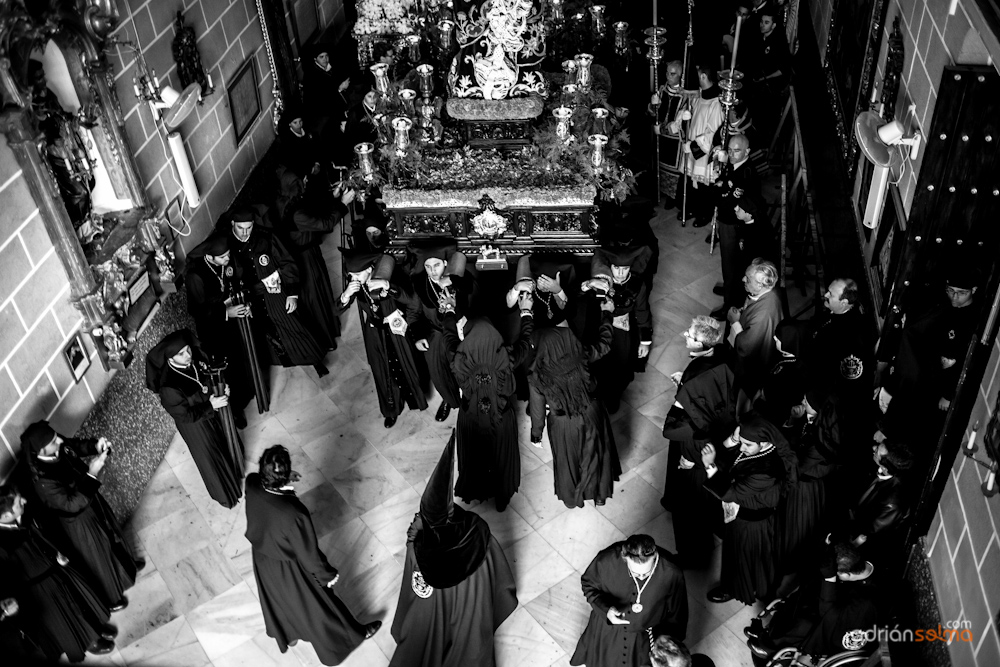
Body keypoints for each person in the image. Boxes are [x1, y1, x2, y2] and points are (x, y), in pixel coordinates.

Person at [390, 433, 518, 666]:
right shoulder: (477, 532)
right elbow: (491, 561)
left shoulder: (421, 552)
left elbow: (416, 586)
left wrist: (413, 536)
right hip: (468, 613)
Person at [245, 445, 380, 665]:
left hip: (263, 559)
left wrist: (281, 479)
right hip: (290, 568)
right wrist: (326, 576)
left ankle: (288, 634)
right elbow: (308, 555)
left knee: (280, 602)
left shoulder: (251, 482)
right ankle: (348, 639)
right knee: (321, 608)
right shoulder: (294, 513)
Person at [21, 421, 141, 611]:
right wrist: (92, 473)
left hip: (90, 501)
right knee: (99, 557)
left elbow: (73, 446)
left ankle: (126, 568)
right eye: (53, 441)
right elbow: (70, 504)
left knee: (112, 535)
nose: (59, 440)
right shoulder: (42, 481)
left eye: (56, 436)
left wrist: (95, 445)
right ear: (41, 451)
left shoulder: (57, 447)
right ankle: (111, 598)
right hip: (79, 521)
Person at [442, 291, 535, 512]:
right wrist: (526, 311)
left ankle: (477, 489)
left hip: (470, 419)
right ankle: (502, 497)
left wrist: (449, 309)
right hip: (501, 420)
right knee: (501, 458)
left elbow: (448, 336)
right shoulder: (507, 357)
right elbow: (527, 338)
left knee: (475, 458)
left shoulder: (458, 358)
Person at [0, 487, 116, 662]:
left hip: (56, 567)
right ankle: (87, 641)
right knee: (66, 615)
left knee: (78, 599)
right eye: (18, 502)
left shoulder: (22, 515)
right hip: (39, 586)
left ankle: (94, 627)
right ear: (6, 516)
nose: (23, 501)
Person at [529, 299, 621, 508]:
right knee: (596, 454)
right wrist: (607, 313)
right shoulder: (580, 352)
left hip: (563, 424)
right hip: (592, 412)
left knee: (568, 461)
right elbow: (605, 344)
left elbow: (537, 408)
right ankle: (598, 492)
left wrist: (536, 433)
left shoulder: (536, 374)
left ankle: (572, 498)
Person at [877, 266, 980, 448]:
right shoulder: (942, 306)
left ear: (974, 290)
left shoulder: (973, 320)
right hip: (921, 373)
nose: (954, 297)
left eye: (961, 293)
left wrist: (948, 394)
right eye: (951, 291)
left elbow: (966, 362)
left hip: (939, 385)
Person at [146, 329, 244, 508]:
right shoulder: (168, 387)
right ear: (170, 358)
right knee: (211, 458)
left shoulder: (195, 360)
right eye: (181, 354)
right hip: (196, 427)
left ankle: (235, 472)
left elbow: (206, 381)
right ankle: (225, 495)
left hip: (212, 412)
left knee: (225, 442)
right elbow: (184, 415)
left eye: (188, 349)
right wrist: (211, 406)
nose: (188, 355)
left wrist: (221, 390)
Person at [227, 206, 330, 377]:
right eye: (240, 228)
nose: (245, 233)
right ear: (232, 224)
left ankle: (314, 359)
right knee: (268, 333)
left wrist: (292, 294)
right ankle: (286, 359)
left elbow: (288, 263)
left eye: (249, 227)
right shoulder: (227, 244)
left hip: (275, 293)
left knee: (295, 326)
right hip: (252, 298)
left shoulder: (267, 237)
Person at [703, 414, 794, 605]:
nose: (742, 448)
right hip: (747, 515)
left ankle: (736, 589)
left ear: (765, 443)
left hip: (751, 523)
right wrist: (735, 439)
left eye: (747, 445)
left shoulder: (767, 471)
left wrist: (709, 466)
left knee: (741, 558)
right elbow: (734, 457)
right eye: (741, 442)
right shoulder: (757, 449)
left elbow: (729, 493)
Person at [662, 363, 741, 567]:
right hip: (717, 469)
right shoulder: (728, 408)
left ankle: (690, 557)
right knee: (710, 507)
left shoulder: (692, 425)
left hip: (695, 473)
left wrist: (679, 402)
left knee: (688, 515)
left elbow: (669, 430)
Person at [746, 542, 878, 663]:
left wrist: (830, 579)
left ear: (847, 575)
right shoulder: (863, 562)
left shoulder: (865, 604)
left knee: (805, 622)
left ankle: (771, 646)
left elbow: (829, 615)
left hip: (842, 625)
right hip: (841, 601)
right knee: (806, 590)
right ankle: (769, 632)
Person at [339, 250, 427, 428]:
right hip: (375, 332)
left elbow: (412, 301)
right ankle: (391, 410)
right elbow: (336, 310)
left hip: (397, 331)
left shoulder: (389, 276)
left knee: (406, 364)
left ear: (370, 269)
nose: (354, 279)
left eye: (358, 274)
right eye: (351, 275)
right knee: (381, 371)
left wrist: (389, 287)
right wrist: (345, 295)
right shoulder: (356, 285)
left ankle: (415, 400)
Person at [571, 534, 688, 667]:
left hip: (646, 634)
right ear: (624, 558)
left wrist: (669, 646)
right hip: (608, 629)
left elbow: (678, 613)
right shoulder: (606, 560)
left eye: (646, 574)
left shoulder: (671, 571)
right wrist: (606, 610)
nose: (641, 577)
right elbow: (588, 584)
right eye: (636, 574)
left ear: (655, 557)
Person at [275, 165, 356, 352]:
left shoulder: (287, 201)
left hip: (304, 253)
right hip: (304, 258)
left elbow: (313, 210)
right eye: (301, 181)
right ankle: (324, 338)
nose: (305, 182)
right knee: (315, 296)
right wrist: (343, 204)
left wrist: (332, 197)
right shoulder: (295, 213)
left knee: (319, 293)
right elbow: (324, 223)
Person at [185, 233, 260, 422]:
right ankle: (234, 410)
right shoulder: (196, 276)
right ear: (209, 257)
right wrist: (226, 312)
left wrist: (243, 303)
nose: (228, 259)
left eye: (228, 255)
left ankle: (247, 394)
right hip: (213, 331)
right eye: (223, 257)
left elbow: (233, 284)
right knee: (227, 369)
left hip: (232, 323)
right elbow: (198, 311)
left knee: (240, 359)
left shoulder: (224, 263)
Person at [661, 315, 730, 512]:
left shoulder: (696, 375)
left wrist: (683, 394)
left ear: (700, 343)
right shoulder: (717, 355)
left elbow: (695, 423)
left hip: (693, 442)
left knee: (687, 488)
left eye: (689, 334)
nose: (685, 334)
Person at [584, 244, 655, 413]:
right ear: (610, 267)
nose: (620, 273)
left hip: (623, 333)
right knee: (598, 363)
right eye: (616, 268)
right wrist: (588, 285)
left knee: (620, 365)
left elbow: (643, 311)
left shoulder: (637, 285)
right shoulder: (601, 281)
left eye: (625, 269)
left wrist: (645, 341)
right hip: (600, 329)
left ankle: (613, 397)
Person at [409, 240, 473, 422]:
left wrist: (452, 283)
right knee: (438, 373)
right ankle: (449, 399)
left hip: (462, 331)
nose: (432, 271)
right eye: (428, 266)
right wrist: (418, 336)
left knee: (466, 368)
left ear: (445, 263)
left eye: (436, 265)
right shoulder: (420, 284)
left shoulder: (459, 279)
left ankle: (470, 400)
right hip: (436, 332)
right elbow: (414, 313)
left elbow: (471, 292)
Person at [713, 132, 764, 314]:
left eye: (737, 150)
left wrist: (720, 191)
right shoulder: (734, 165)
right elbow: (724, 184)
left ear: (747, 151)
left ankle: (729, 304)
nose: (732, 154)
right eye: (730, 150)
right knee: (728, 264)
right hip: (726, 220)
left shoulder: (746, 173)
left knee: (731, 266)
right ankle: (728, 289)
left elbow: (728, 199)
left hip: (733, 225)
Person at [807, 279, 873, 409]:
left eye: (830, 294)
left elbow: (837, 380)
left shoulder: (847, 336)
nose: (825, 295)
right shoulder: (839, 313)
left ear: (843, 303)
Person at [674, 64, 724, 227]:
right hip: (690, 144)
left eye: (698, 76)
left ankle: (704, 213)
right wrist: (684, 116)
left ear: (703, 77)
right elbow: (686, 117)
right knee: (688, 179)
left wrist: (694, 146)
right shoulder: (696, 97)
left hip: (703, 153)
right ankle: (689, 208)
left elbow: (712, 133)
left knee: (703, 184)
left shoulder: (716, 103)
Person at [727, 258, 784, 397]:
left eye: (748, 278)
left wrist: (734, 321)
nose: (743, 279)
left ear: (760, 285)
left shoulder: (764, 314)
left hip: (751, 369)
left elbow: (746, 348)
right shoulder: (769, 293)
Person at [752, 318, 807, 428]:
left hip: (771, 413)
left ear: (789, 344)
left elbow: (779, 405)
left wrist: (758, 401)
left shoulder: (793, 373)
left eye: (778, 338)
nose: (774, 338)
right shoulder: (788, 357)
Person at [651, 60, 687, 209]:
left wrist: (664, 129)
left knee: (672, 170)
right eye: (667, 73)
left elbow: (679, 123)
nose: (668, 77)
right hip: (661, 137)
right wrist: (653, 105)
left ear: (680, 75)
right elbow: (653, 112)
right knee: (660, 166)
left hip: (674, 140)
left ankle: (672, 198)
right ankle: (660, 193)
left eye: (672, 74)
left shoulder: (685, 95)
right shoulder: (662, 89)